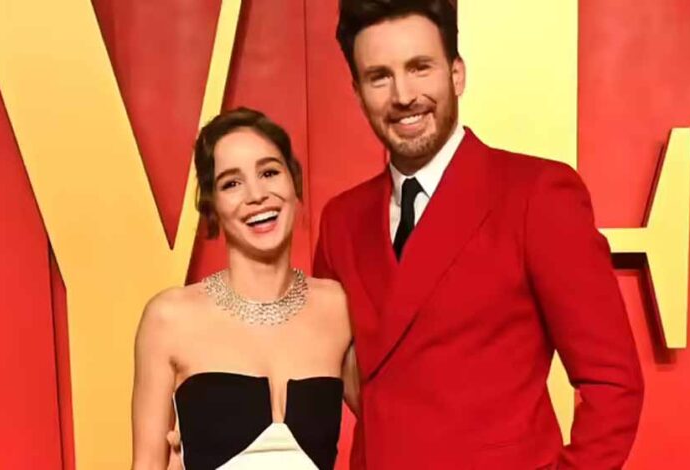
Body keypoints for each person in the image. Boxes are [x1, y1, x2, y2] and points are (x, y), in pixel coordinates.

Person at [311, 0, 645, 468]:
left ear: (457, 74)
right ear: (357, 92)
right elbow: (327, 366)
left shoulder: (537, 195)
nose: (403, 95)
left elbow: (613, 383)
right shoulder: (341, 221)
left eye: (419, 67)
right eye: (379, 76)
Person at [132, 107, 358, 470]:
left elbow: (397, 424)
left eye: (269, 172)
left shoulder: (338, 308)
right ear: (212, 205)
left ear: (294, 182)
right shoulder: (169, 319)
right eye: (231, 183)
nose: (256, 195)